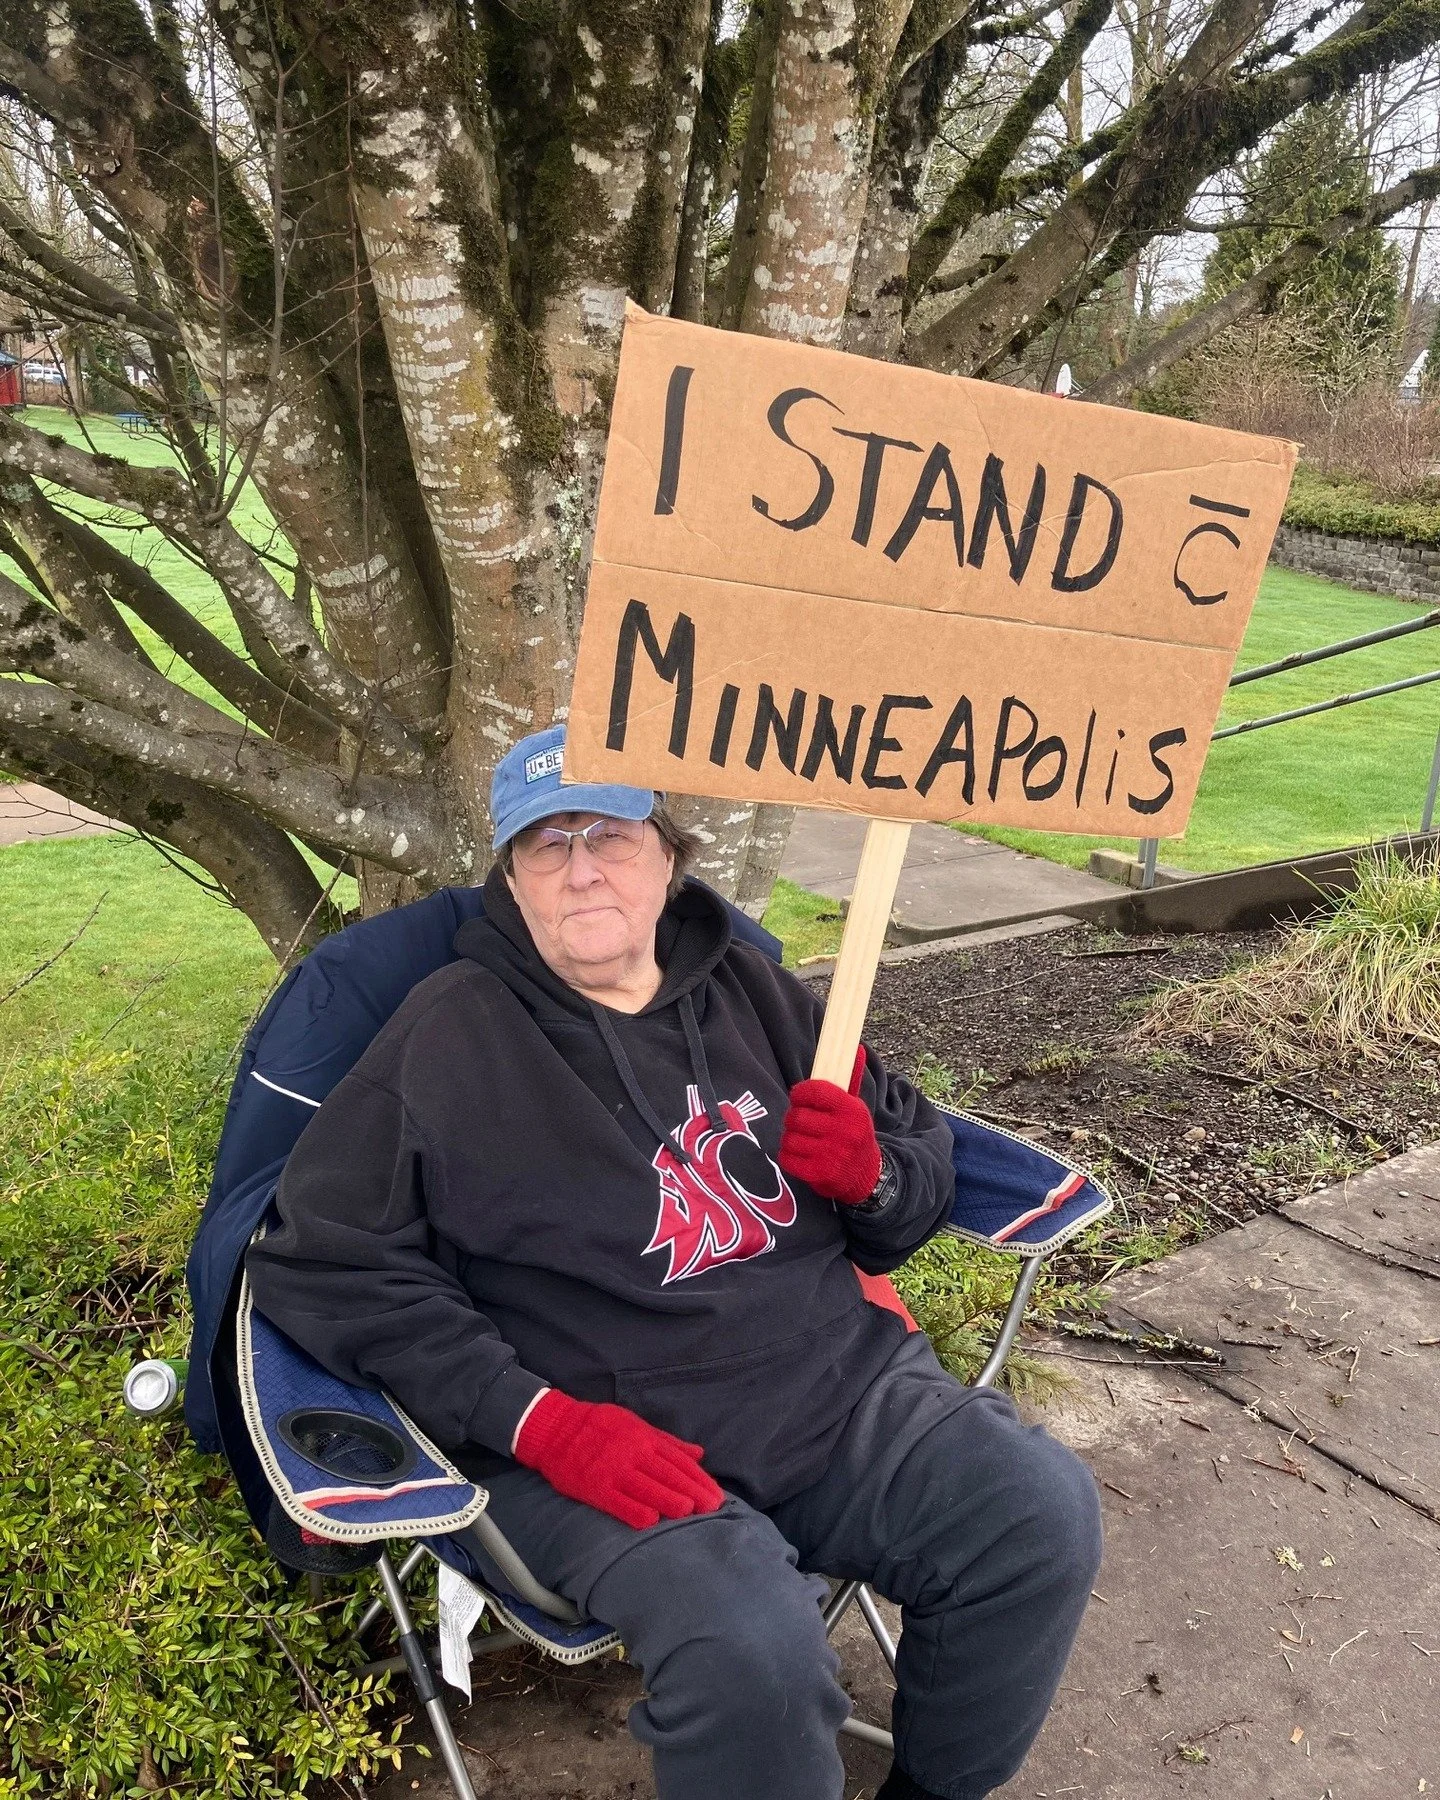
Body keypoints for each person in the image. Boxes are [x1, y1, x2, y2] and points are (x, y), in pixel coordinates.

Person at [247, 723, 1101, 1800]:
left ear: (668, 856)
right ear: (512, 881)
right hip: (598, 1445)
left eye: (609, 834)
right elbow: (323, 1265)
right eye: (544, 847)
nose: (582, 869)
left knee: (1035, 1515)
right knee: (754, 1657)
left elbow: (919, 1168)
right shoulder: (443, 1037)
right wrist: (534, 1421)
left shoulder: (761, 996)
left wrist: (871, 1178)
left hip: (835, 1393)